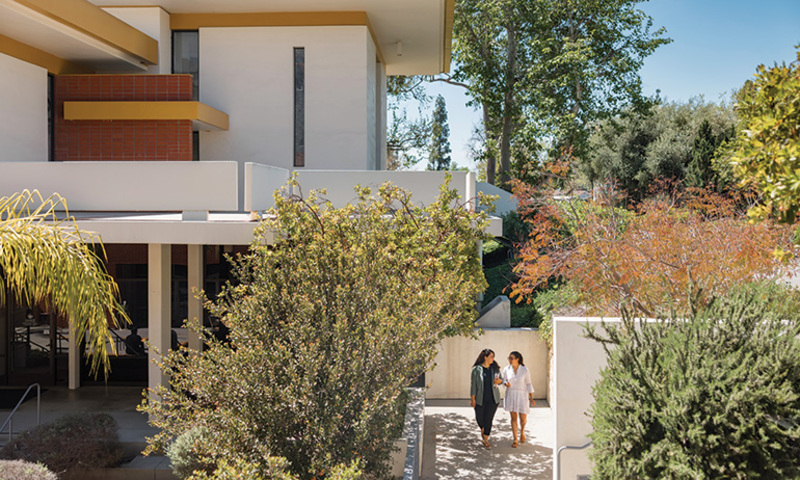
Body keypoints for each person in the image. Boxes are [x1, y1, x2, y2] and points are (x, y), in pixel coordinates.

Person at [470, 348, 503, 449]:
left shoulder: (495, 368)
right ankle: (484, 430)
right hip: (480, 398)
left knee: (488, 419)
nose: (493, 359)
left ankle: (486, 440)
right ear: (485, 357)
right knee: (480, 418)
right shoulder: (476, 369)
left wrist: (499, 382)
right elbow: (473, 385)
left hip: (493, 399)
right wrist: (473, 398)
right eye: (491, 357)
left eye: (493, 357)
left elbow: (501, 380)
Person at [502, 351, 535, 448]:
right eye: (509, 358)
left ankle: (522, 431)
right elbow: (504, 380)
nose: (510, 360)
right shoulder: (506, 369)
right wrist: (505, 383)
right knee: (513, 418)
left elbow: (528, 383)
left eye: (512, 358)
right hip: (511, 395)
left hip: (522, 396)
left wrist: (531, 397)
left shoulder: (525, 370)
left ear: (518, 359)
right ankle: (515, 439)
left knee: (523, 418)